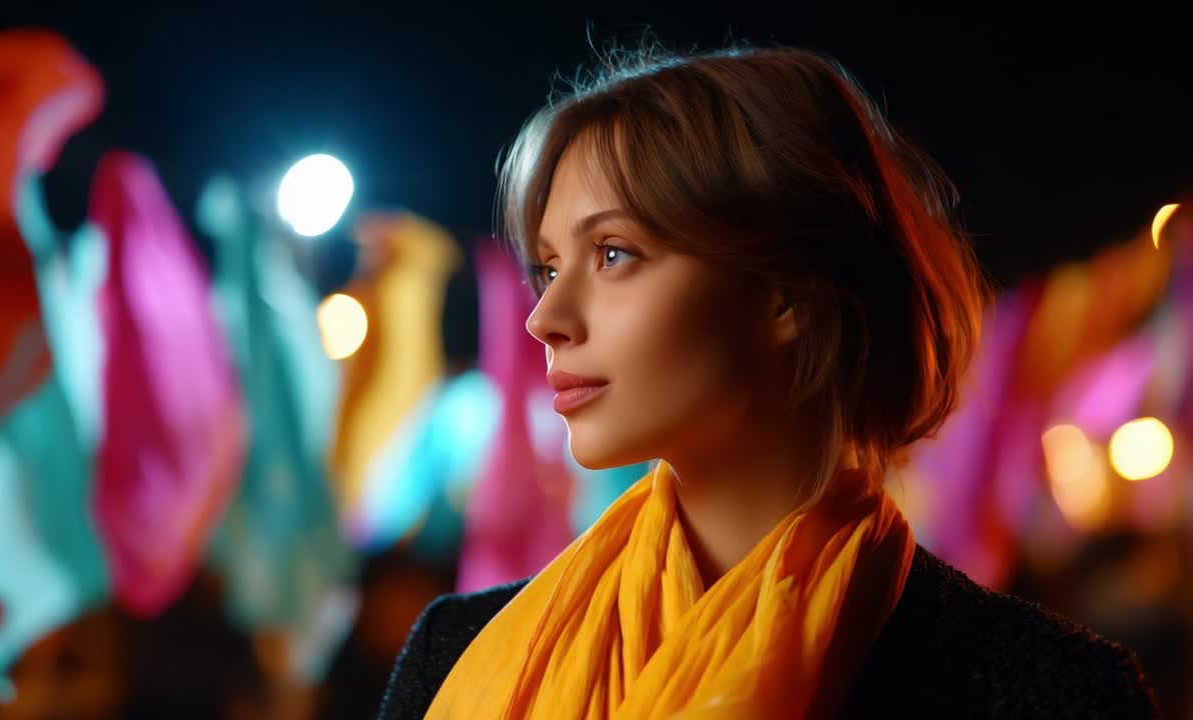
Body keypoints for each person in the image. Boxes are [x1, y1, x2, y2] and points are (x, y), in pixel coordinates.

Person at [378, 44, 1159, 719]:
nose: (545, 316)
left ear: (788, 291)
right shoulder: (458, 656)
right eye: (547, 268)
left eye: (613, 254)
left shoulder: (1044, 692)